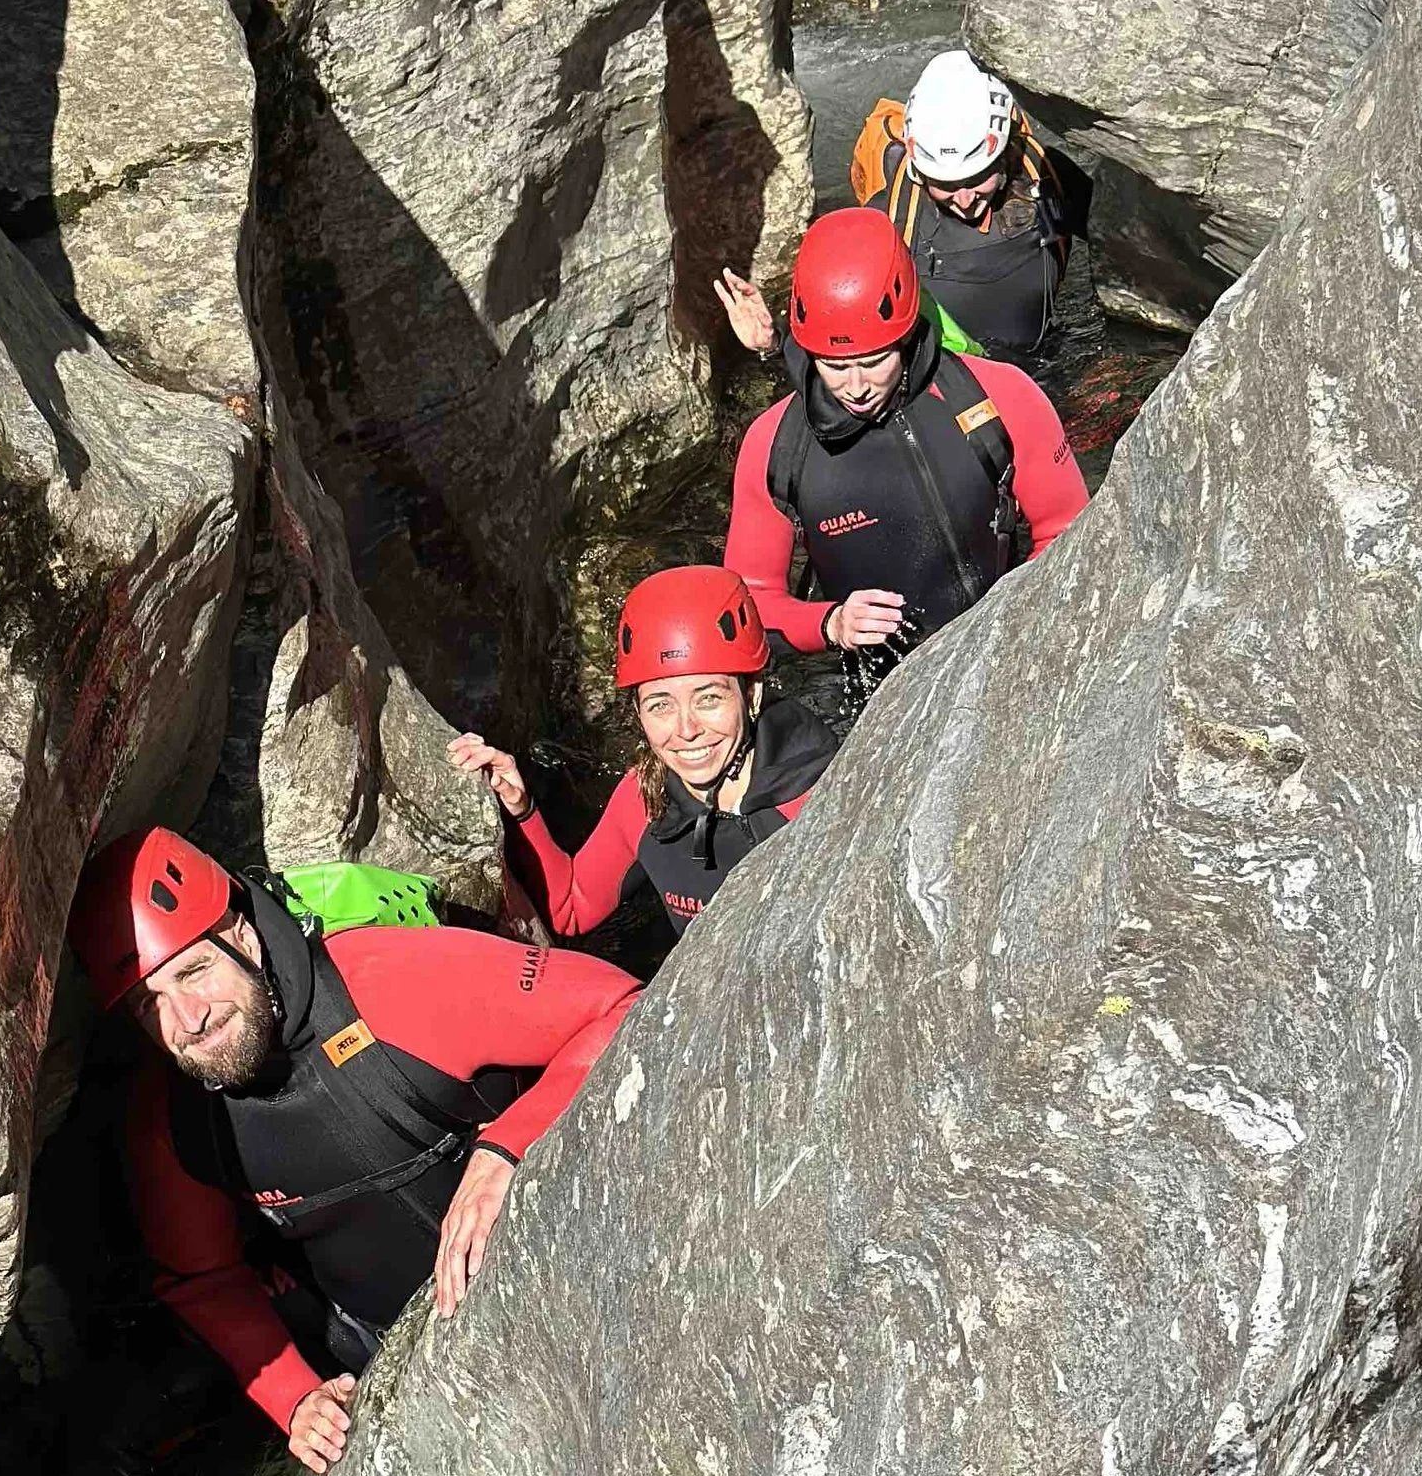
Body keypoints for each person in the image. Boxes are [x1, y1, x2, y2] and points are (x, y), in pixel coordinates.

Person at [69, 830, 637, 1476]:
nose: (188, 1019)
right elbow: (205, 1280)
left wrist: (507, 1146)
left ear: (243, 935)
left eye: (194, 971)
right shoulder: (174, 1121)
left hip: (571, 1265)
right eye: (151, 1005)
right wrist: (296, 1397)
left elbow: (624, 1005)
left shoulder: (385, 979)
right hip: (396, 1350)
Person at [716, 207, 1091, 708]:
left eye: (874, 361)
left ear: (908, 332)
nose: (855, 388)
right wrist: (830, 623)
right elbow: (749, 601)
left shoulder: (998, 397)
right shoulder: (775, 446)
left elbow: (1069, 533)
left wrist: (1019, 618)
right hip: (875, 694)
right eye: (833, 365)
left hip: (1007, 653)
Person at [448, 565, 840, 946]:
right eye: (660, 705)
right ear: (638, 713)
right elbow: (572, 907)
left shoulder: (820, 789)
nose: (687, 730)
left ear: (751, 694)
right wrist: (521, 808)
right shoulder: (647, 798)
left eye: (709, 698)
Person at [861, 49, 1076, 372]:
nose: (963, 199)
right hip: (944, 395)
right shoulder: (890, 220)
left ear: (1003, 155)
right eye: (944, 184)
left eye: (977, 178)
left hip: (1045, 368)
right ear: (920, 173)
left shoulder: (1046, 177)